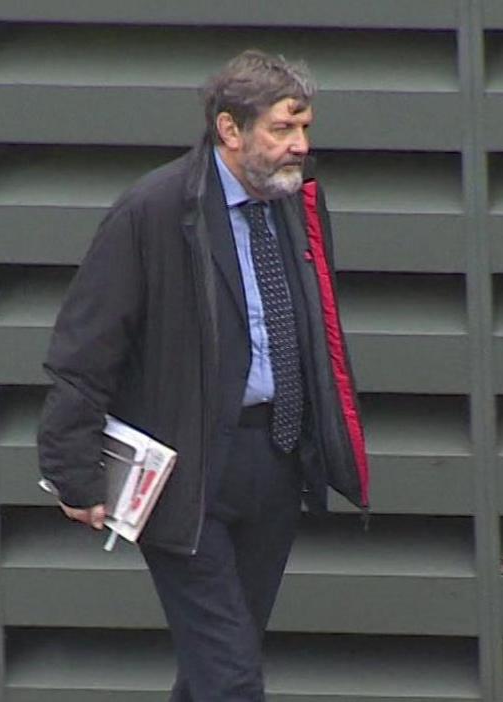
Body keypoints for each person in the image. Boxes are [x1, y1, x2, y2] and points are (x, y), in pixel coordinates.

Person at [37, 49, 369, 701]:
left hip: (276, 457)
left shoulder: (296, 205)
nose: (300, 146)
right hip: (187, 476)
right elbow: (86, 343)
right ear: (230, 129)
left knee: (217, 662)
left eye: (304, 129)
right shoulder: (156, 210)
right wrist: (72, 468)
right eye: (282, 129)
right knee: (232, 676)